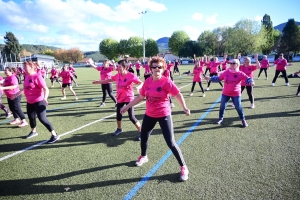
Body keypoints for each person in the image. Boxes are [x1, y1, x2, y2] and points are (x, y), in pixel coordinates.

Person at [120, 56, 190, 181]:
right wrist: (128, 106)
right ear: (150, 68)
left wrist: (184, 107)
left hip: (164, 115)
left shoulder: (166, 81)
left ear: (163, 69)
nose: (157, 69)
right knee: (144, 137)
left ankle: (183, 167)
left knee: (171, 143)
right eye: (154, 66)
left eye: (160, 67)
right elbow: (140, 97)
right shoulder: (147, 82)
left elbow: (177, 94)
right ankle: (144, 156)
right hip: (149, 115)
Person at [93, 59, 143, 139]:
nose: (118, 68)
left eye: (120, 66)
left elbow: (141, 82)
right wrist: (99, 82)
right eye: (118, 66)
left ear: (125, 67)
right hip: (120, 98)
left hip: (129, 98)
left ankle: (141, 132)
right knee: (118, 115)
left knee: (131, 117)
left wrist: (138, 87)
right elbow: (110, 79)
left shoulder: (131, 75)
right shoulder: (118, 75)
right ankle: (119, 129)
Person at [11, 61, 59, 143]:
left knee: (42, 119)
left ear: (32, 67)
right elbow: (25, 88)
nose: (24, 69)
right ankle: (33, 131)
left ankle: (54, 135)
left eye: (26, 67)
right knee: (31, 118)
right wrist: (16, 94)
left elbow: (45, 89)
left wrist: (45, 98)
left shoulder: (37, 77)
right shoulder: (27, 77)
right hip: (29, 102)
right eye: (24, 67)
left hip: (39, 101)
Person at [204, 59, 254, 127]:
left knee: (238, 107)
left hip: (236, 94)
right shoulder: (226, 72)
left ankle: (243, 120)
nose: (232, 64)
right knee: (222, 106)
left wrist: (251, 82)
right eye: (231, 63)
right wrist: (210, 78)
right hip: (225, 93)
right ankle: (220, 118)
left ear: (237, 65)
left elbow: (248, 78)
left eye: (234, 63)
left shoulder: (240, 73)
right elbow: (218, 78)